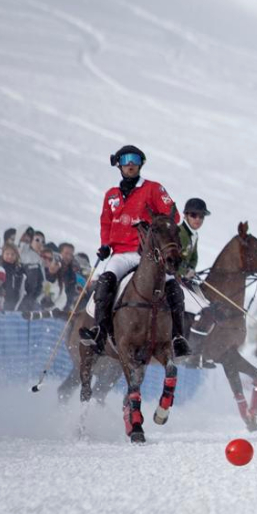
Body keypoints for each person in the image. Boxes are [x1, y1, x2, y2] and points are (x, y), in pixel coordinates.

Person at [78, 145, 190, 357]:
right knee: (106, 281)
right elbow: (106, 222)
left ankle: (178, 338)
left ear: (141, 164)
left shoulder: (153, 188)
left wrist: (154, 223)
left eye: (135, 160)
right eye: (126, 160)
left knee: (174, 288)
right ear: (118, 164)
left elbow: (173, 217)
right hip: (121, 254)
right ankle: (100, 332)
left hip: (148, 255)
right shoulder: (111, 195)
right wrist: (105, 245)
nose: (130, 164)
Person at [177, 198, 213, 367]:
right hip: (173, 278)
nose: (198, 219)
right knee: (201, 309)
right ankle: (188, 352)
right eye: (194, 215)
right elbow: (172, 258)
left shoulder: (194, 234)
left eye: (201, 216)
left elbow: (194, 257)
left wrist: (191, 269)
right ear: (185, 215)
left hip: (185, 278)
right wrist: (184, 271)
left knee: (208, 304)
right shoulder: (180, 233)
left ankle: (198, 352)